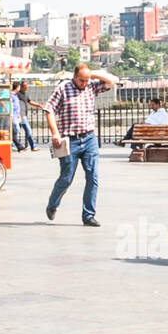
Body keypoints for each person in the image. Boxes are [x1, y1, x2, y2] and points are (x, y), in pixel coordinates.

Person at [43, 63, 118, 227]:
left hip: (89, 138)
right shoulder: (63, 88)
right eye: (81, 80)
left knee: (93, 177)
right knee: (66, 178)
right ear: (74, 77)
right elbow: (49, 109)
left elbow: (112, 81)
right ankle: (52, 204)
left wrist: (94, 75)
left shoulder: (91, 86)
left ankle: (88, 215)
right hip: (70, 140)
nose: (84, 83)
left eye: (86, 80)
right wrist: (55, 132)